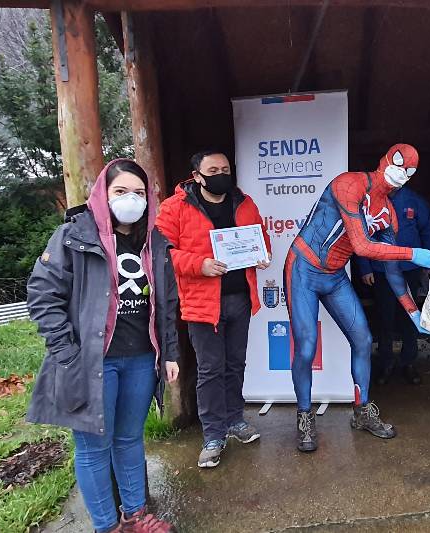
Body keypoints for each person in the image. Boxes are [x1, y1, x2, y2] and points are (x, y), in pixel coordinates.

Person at [27, 159, 179, 533]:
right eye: (121, 191)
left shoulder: (155, 241)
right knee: (94, 448)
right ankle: (106, 526)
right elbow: (42, 295)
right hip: (93, 362)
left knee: (129, 439)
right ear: (102, 194)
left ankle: (136, 516)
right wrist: (68, 354)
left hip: (142, 359)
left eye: (139, 193)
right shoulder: (75, 235)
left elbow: (168, 303)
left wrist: (170, 352)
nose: (131, 199)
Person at [285, 143, 430, 452]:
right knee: (306, 346)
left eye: (410, 171)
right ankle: (304, 415)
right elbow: (362, 246)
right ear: (385, 160)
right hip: (303, 267)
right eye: (400, 165)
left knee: (363, 339)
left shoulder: (389, 213)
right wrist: (414, 252)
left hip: (334, 274)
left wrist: (413, 313)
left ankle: (363, 411)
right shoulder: (349, 184)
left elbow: (393, 272)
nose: (403, 174)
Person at [156, 150, 271, 470]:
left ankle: (235, 421)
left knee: (235, 364)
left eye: (225, 169)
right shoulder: (174, 208)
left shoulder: (244, 202)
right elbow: (162, 255)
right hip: (202, 305)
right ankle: (213, 436)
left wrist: (262, 254)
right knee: (210, 370)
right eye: (213, 170)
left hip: (240, 300)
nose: (221, 174)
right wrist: (200, 265)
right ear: (197, 176)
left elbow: (261, 237)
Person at [357, 184, 430, 386]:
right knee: (385, 317)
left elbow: (427, 231)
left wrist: (428, 262)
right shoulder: (370, 200)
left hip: (410, 269)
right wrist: (365, 267)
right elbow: (361, 234)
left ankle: (408, 362)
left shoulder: (414, 200)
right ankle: (385, 363)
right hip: (382, 271)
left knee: (410, 317)